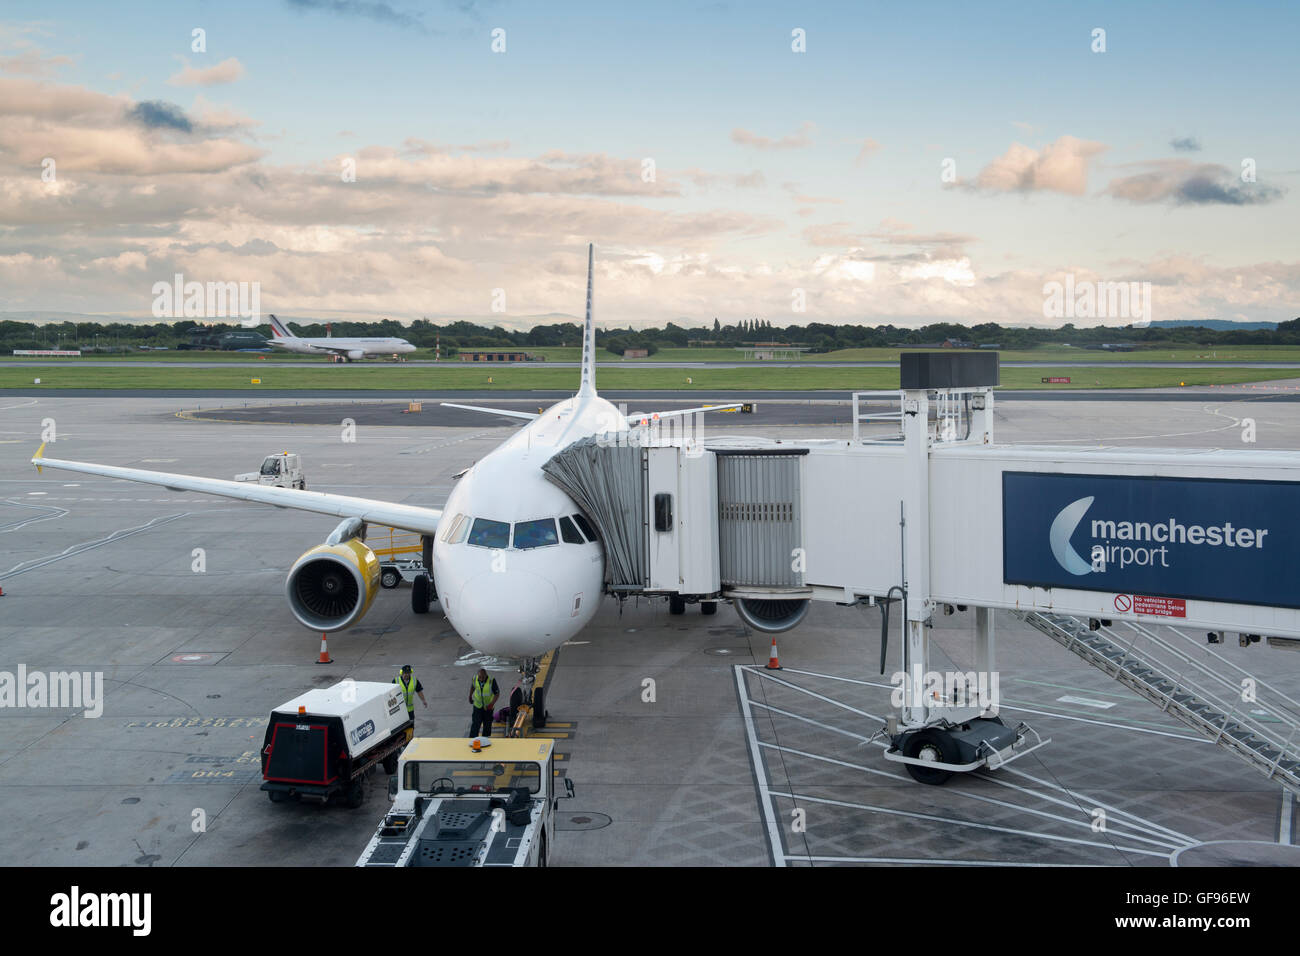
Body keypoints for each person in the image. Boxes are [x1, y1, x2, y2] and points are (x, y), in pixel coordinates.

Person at [469, 668, 499, 739]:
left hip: (488, 707)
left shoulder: (491, 681)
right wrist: (470, 696)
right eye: (480, 677)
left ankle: (485, 739)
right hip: (477, 706)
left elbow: (497, 694)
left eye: (483, 677)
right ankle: (472, 739)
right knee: (475, 723)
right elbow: (473, 686)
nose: (481, 679)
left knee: (487, 724)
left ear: (486, 675)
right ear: (477, 675)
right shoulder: (475, 679)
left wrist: (491, 704)